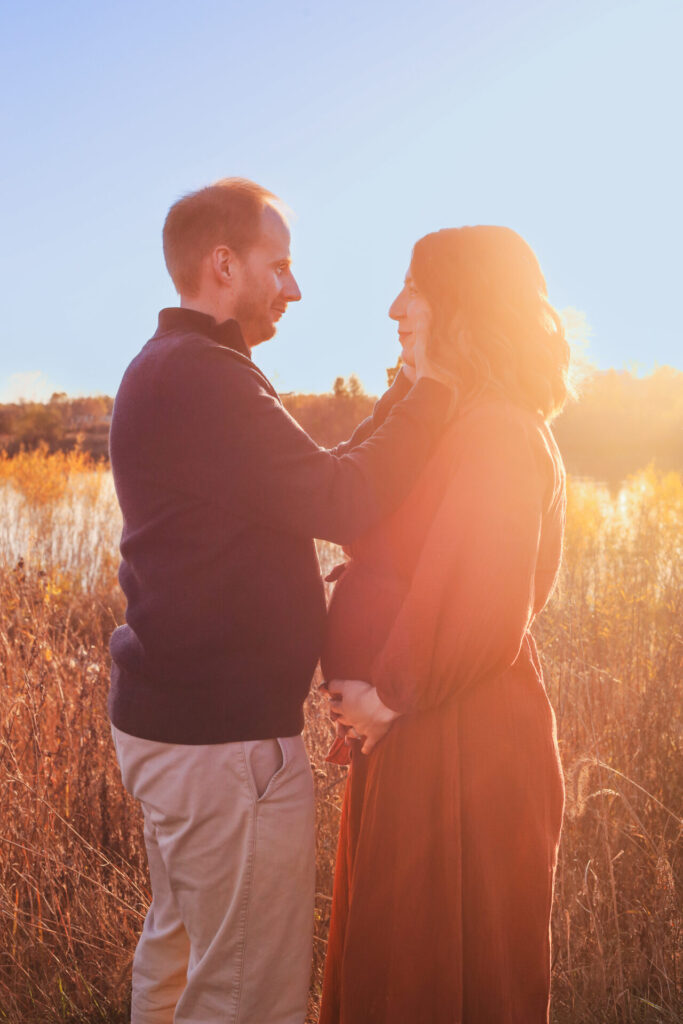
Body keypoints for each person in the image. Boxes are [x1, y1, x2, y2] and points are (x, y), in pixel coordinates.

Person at [107, 177, 453, 1024]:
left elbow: (319, 480)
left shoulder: (181, 369)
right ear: (223, 264)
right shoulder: (206, 378)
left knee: (183, 959)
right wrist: (436, 391)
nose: (294, 289)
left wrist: (400, 398)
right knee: (244, 997)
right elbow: (342, 502)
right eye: (281, 266)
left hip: (179, 730)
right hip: (223, 747)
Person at [320, 225, 570, 1024]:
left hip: (458, 738)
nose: (395, 307)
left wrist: (387, 697)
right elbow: (345, 493)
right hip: (418, 729)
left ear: (462, 301)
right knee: (394, 958)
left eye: (414, 290)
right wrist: (412, 383)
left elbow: (483, 591)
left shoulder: (498, 427)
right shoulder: (451, 416)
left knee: (443, 968)